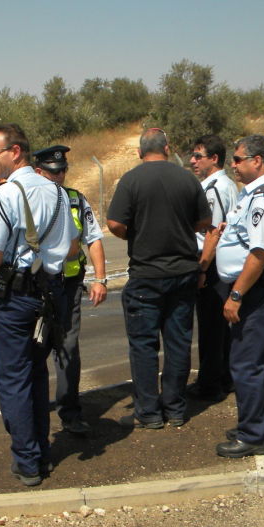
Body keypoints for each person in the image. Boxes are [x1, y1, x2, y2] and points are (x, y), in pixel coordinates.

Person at [0, 124, 76, 486]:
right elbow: (72, 248)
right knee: (36, 374)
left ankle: (28, 460)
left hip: (16, 297)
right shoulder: (59, 192)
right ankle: (41, 452)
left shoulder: (5, 194)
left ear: (15, 152)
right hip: (51, 294)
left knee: (14, 379)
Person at [106, 128, 211, 429]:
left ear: (140, 152)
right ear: (167, 148)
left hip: (147, 274)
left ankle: (149, 412)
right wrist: (182, 227)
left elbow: (114, 223)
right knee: (178, 343)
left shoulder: (131, 180)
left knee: (144, 345)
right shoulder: (187, 179)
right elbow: (204, 221)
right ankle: (175, 409)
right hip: (183, 272)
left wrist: (134, 233)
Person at [202, 134, 264, 458]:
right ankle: (263, 425)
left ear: (257, 161)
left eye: (239, 159)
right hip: (262, 286)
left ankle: (253, 434)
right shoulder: (256, 193)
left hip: (259, 289)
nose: (233, 164)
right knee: (259, 361)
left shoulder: (263, 198)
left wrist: (237, 294)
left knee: (245, 363)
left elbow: (259, 253)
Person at [33, 144, 107, 436]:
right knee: (35, 350)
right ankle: (34, 414)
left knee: (68, 349)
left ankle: (70, 413)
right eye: (53, 172)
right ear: (38, 172)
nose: (60, 176)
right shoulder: (28, 201)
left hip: (69, 286)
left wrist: (100, 279)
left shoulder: (76, 199)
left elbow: (94, 238)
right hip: (38, 288)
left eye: (63, 170)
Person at [188, 135, 238, 401]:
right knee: (217, 326)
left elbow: (212, 233)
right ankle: (226, 377)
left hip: (211, 261)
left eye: (198, 156)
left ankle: (210, 385)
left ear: (214, 158)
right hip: (218, 260)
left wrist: (203, 268)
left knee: (210, 327)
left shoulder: (213, 189)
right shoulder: (223, 185)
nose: (192, 161)